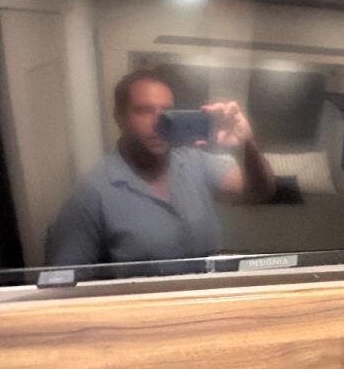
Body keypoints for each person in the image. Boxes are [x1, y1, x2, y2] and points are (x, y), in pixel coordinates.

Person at [45, 68, 274, 266]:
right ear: (119, 117)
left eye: (166, 112)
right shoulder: (92, 195)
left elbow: (258, 191)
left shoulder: (194, 160)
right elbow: (64, 284)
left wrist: (247, 145)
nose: (159, 123)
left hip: (206, 297)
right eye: (144, 111)